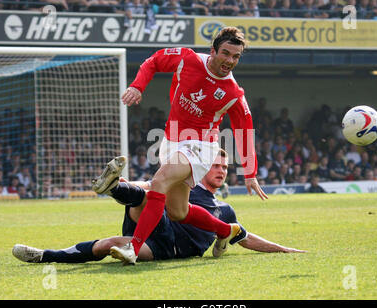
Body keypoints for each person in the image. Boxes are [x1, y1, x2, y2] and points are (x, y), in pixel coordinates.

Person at [99, 27, 267, 264]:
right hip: (172, 139)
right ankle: (225, 231)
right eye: (226, 53)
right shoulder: (187, 58)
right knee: (178, 212)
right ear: (213, 51)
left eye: (236, 56)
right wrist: (138, 86)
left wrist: (250, 173)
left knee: (159, 182)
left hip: (201, 146)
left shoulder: (233, 93)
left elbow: (244, 131)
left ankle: (133, 248)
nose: (230, 60)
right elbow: (154, 61)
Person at [12, 151, 304, 265]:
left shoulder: (225, 210)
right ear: (201, 168)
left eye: (224, 167)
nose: (220, 170)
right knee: (146, 195)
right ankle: (113, 188)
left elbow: (246, 237)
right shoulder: (186, 187)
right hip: (155, 228)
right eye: (214, 165)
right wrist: (129, 184)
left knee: (111, 244)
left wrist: (285, 250)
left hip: (170, 250)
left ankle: (43, 256)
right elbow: (153, 184)